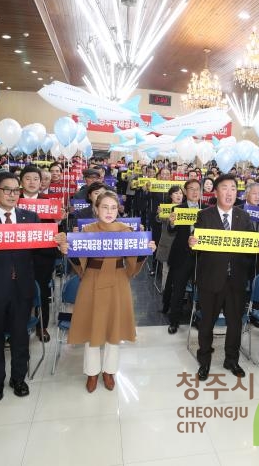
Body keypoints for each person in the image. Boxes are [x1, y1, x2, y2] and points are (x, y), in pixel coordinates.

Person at [0, 172, 63, 403]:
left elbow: (45, 251)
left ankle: (18, 379)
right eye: (6, 189)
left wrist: (57, 241)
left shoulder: (30, 217)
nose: (12, 194)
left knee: (20, 337)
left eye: (16, 190)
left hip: (23, 288)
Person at [55, 191, 153, 392]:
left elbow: (132, 267)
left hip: (118, 280)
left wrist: (144, 250)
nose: (109, 212)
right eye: (105, 207)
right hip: (91, 279)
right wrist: (69, 251)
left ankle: (109, 371)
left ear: (118, 209)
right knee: (93, 328)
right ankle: (92, 373)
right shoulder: (86, 231)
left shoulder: (126, 231)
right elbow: (79, 266)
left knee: (113, 329)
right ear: (96, 209)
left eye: (113, 207)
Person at [188, 175, 259, 380]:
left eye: (233, 188)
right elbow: (196, 250)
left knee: (235, 324)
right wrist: (192, 242)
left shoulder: (243, 216)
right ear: (216, 192)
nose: (230, 192)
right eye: (225, 188)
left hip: (236, 281)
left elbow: (250, 249)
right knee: (207, 324)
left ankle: (231, 360)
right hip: (211, 280)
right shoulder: (204, 215)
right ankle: (204, 362)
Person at [20, 165, 61, 342]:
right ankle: (17, 326)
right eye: (28, 178)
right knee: (16, 292)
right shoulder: (13, 199)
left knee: (42, 291)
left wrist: (59, 221)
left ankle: (41, 326)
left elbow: (56, 231)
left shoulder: (49, 202)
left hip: (43, 255)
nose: (32, 182)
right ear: (21, 181)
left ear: (41, 182)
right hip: (17, 255)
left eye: (36, 179)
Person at [166, 179, 205, 333]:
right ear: (185, 191)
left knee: (201, 289)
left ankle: (198, 318)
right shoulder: (178, 208)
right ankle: (174, 321)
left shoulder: (207, 210)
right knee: (179, 289)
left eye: (197, 189)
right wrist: (172, 222)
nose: (195, 192)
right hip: (182, 254)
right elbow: (171, 230)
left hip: (201, 256)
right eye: (191, 189)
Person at [156, 185, 184, 313]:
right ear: (171, 195)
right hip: (167, 244)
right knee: (166, 271)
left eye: (180, 193)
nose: (179, 195)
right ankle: (165, 296)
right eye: (176, 193)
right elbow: (159, 218)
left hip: (181, 246)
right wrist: (160, 213)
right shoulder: (165, 208)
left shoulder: (186, 210)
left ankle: (178, 296)